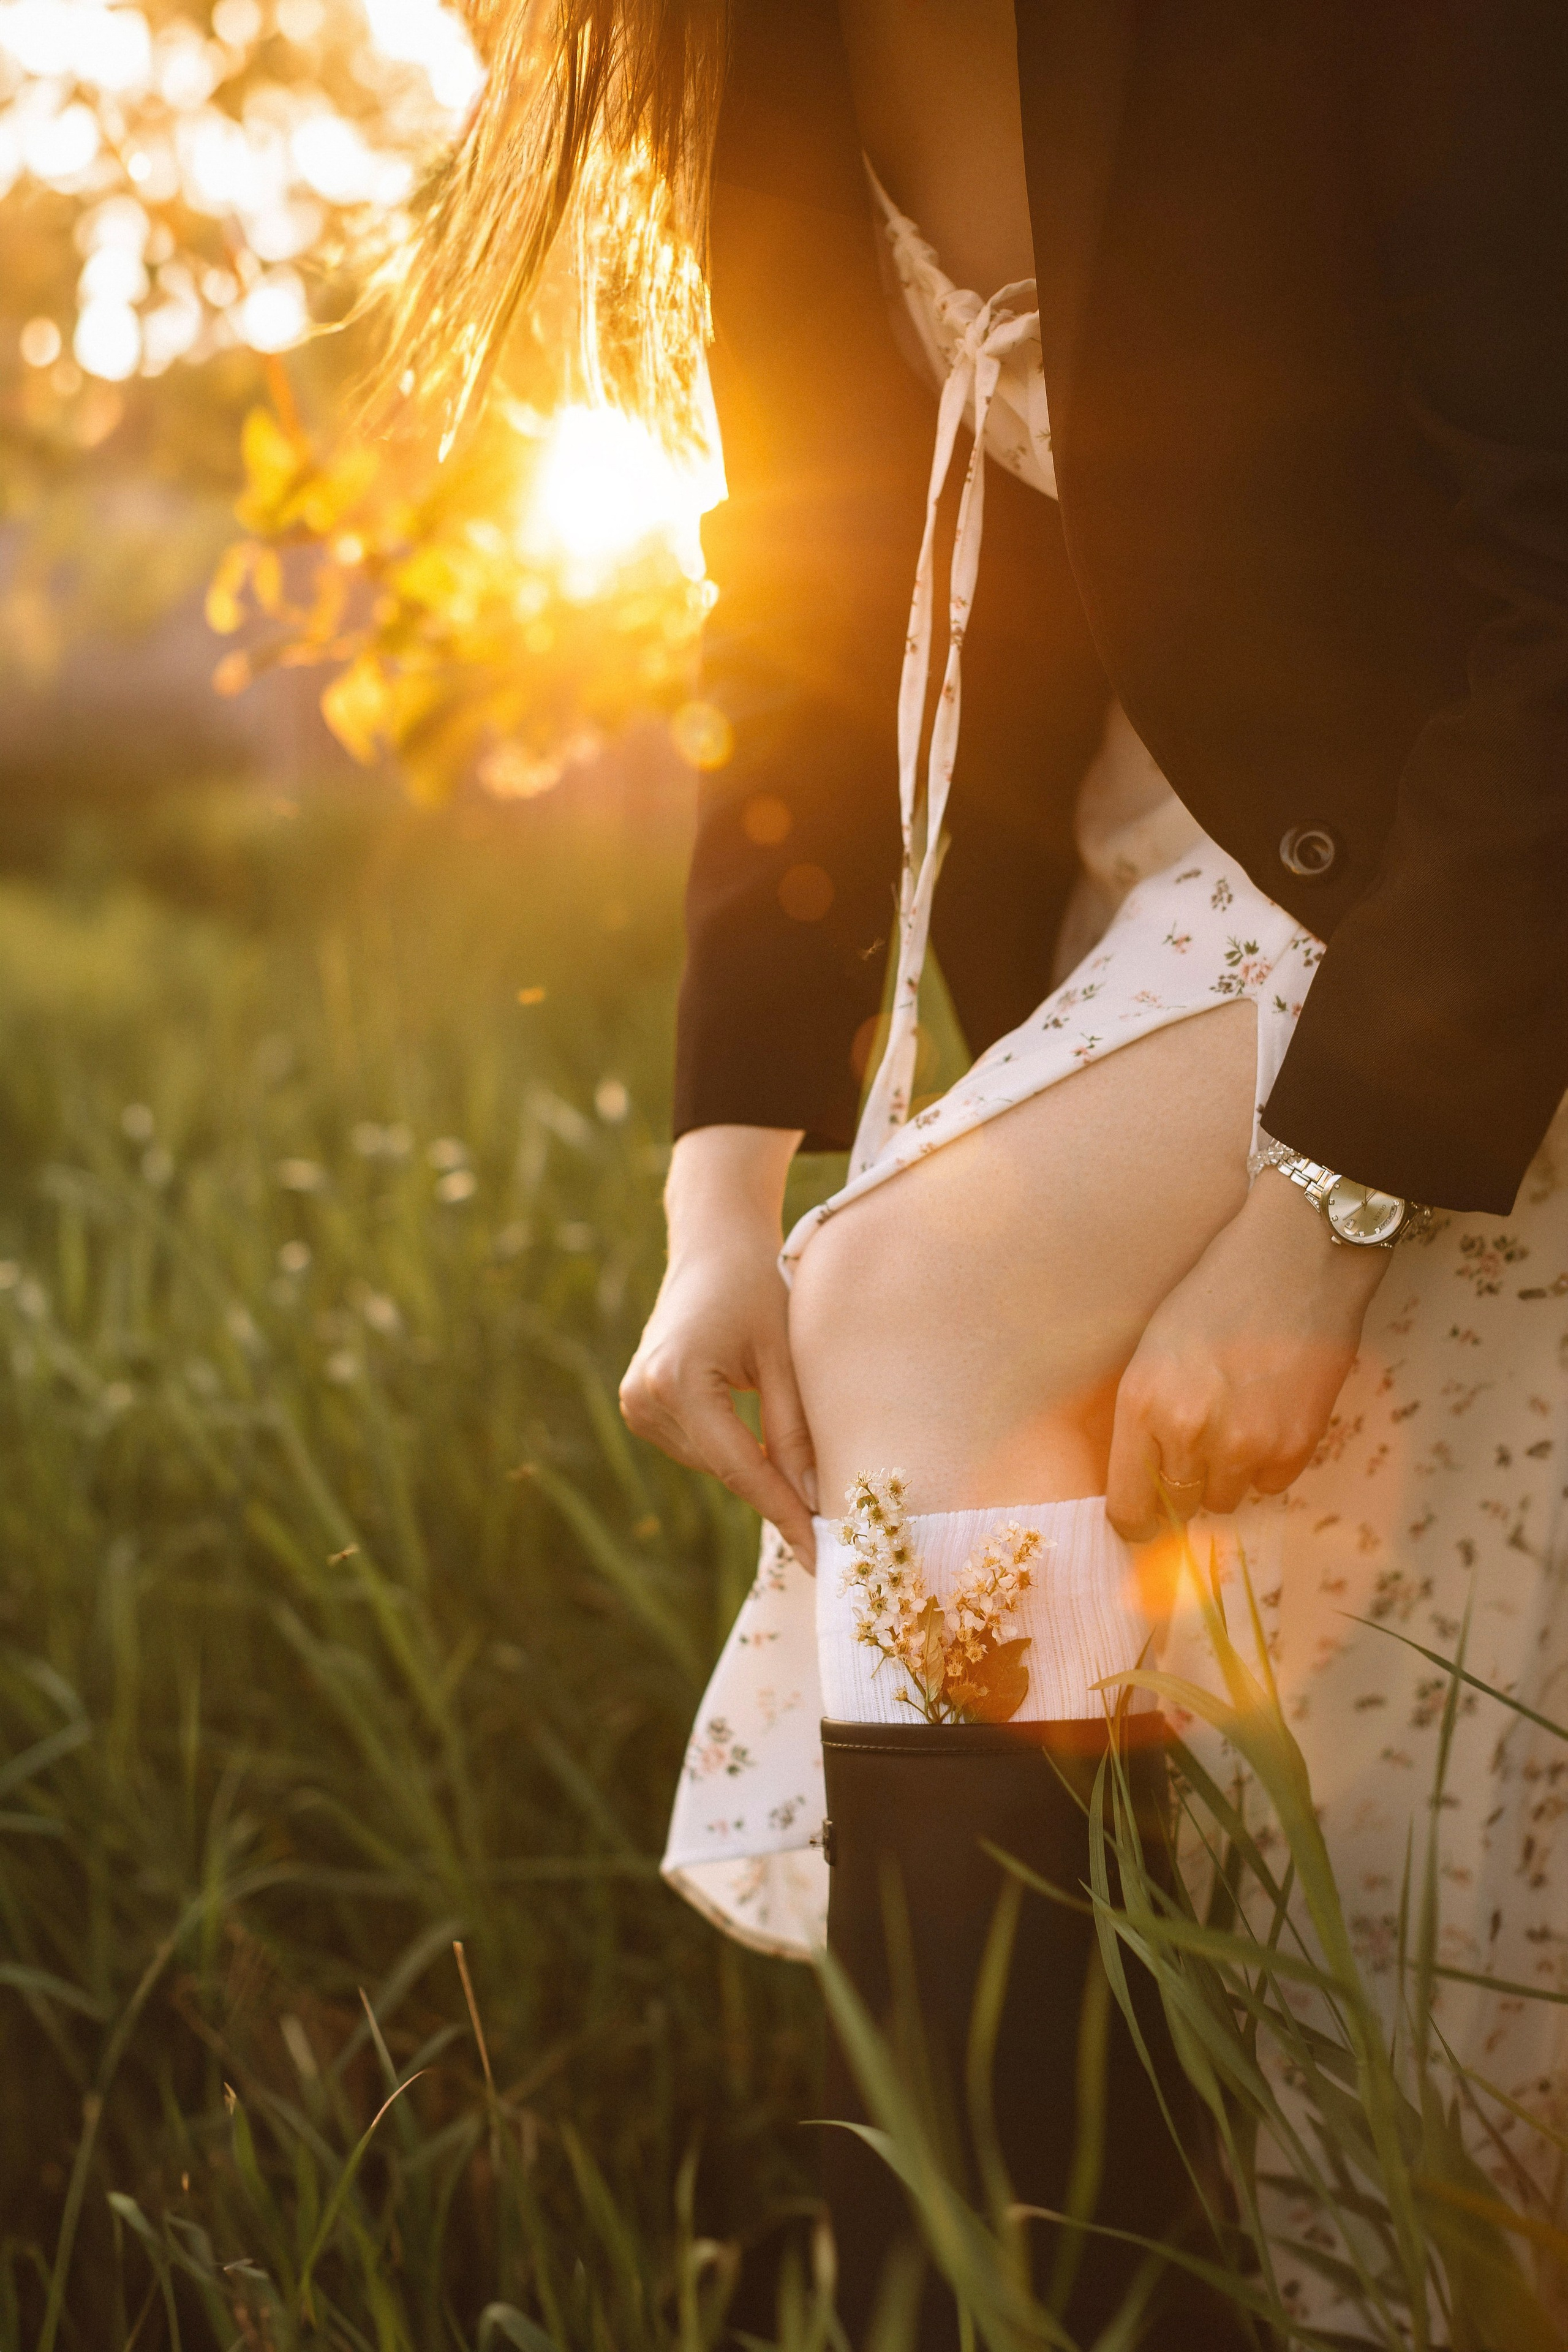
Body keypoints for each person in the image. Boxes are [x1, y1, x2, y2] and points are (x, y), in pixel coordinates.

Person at [396, 2, 1568, 2340]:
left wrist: (1324, 1206)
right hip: (1150, 888)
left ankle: (1008, 2304)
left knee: (918, 1326)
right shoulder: (755, 55)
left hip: (1465, 858)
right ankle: (1079, 2274)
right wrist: (720, 1200)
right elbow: (808, 609)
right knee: (1329, 1819)